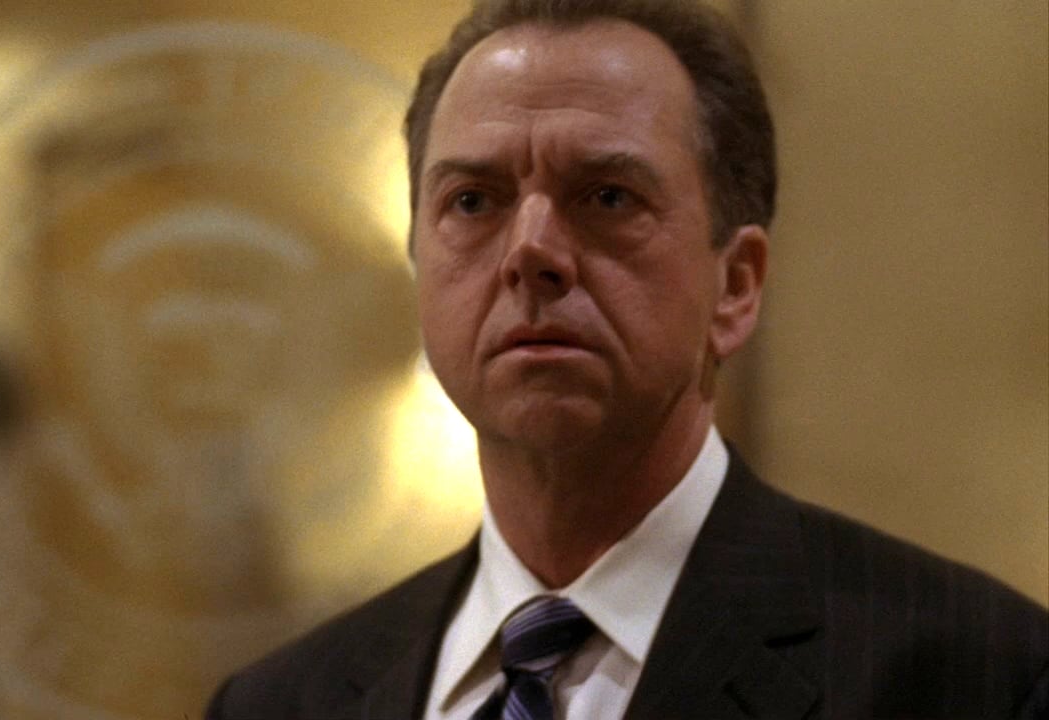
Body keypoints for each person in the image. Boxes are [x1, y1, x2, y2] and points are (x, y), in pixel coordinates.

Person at [205, 0, 1049, 718]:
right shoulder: (279, 703)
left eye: (607, 197)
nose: (530, 251)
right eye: (473, 201)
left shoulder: (977, 676)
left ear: (735, 286)